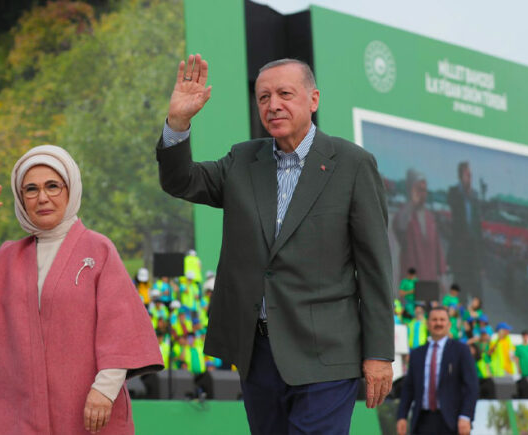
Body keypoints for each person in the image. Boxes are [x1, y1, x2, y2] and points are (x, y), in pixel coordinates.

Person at [157, 55, 394, 433]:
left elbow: (375, 267)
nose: (273, 105)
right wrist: (178, 122)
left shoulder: (352, 164)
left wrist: (380, 353)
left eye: (285, 93)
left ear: (313, 99)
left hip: (327, 353)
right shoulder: (242, 160)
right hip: (259, 353)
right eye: (263, 97)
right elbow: (180, 180)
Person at [0, 145, 163, 433]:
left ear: (70, 188)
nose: (42, 197)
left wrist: (105, 390)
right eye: (31, 190)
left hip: (86, 409)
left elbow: (121, 328)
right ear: (21, 199)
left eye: (52, 186)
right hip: (18, 412)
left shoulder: (98, 250)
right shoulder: (6, 259)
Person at [397, 306, 478, 435]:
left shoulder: (461, 351)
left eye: (442, 320)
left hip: (451, 421)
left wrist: (466, 416)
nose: (438, 323)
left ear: (449, 324)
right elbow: (408, 388)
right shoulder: (417, 354)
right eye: (434, 320)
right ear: (428, 324)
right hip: (422, 421)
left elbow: (471, 387)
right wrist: (402, 416)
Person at [392, 169, 446, 284]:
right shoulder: (405, 215)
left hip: (429, 280)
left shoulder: (430, 218)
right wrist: (412, 204)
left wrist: (442, 276)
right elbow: (399, 227)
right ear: (411, 191)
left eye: (425, 190)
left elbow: (438, 248)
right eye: (419, 190)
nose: (423, 194)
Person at [447, 161, 483, 301]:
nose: (470, 178)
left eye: (471, 175)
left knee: (476, 293)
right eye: (467, 174)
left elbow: (478, 227)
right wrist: (464, 189)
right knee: (460, 290)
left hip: (473, 252)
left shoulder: (474, 196)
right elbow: (453, 204)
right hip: (460, 250)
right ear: (461, 175)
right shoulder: (454, 192)